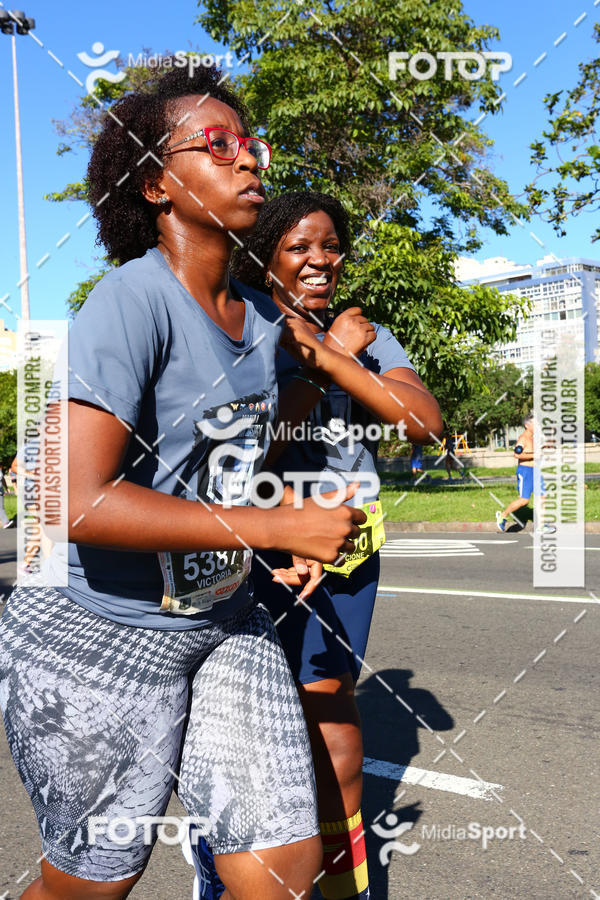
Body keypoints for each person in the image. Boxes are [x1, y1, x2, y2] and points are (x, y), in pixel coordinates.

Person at [0, 68, 367, 900]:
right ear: (158, 184)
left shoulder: (262, 317)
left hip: (223, 620)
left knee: (281, 866)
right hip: (94, 636)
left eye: (253, 144)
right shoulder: (131, 301)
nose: (250, 163)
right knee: (91, 885)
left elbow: (235, 464)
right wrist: (269, 529)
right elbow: (70, 500)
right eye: (220, 145)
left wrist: (275, 535)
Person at [187, 192, 442, 900]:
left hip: (349, 555)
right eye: (301, 247)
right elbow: (246, 456)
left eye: (330, 246)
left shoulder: (363, 332)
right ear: (265, 254)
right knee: (241, 737)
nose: (320, 261)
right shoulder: (238, 325)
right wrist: (312, 367)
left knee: (333, 720)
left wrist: (335, 360)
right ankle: (224, 882)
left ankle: (342, 888)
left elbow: (422, 423)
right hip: (255, 549)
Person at [496, 413, 544, 532]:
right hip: (525, 471)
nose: (538, 425)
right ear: (527, 425)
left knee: (542, 496)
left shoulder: (533, 438)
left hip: (535, 471)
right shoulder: (523, 438)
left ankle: (541, 526)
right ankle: (502, 516)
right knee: (524, 500)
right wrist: (535, 455)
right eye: (535, 423)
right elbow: (517, 454)